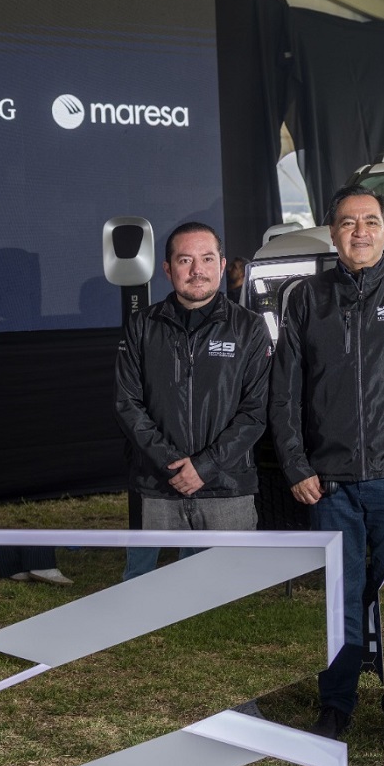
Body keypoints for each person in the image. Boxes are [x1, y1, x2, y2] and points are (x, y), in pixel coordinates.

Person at [270, 185, 384, 738]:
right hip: (329, 485)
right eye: (349, 222)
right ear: (332, 233)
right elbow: (284, 392)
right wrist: (296, 466)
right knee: (339, 599)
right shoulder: (306, 298)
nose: (360, 232)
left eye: (371, 221)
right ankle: (337, 704)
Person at [115, 222, 272, 548]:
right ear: (167, 269)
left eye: (207, 259)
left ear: (222, 265)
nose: (197, 270)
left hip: (227, 487)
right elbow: (127, 403)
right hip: (161, 487)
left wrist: (204, 467)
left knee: (231, 578)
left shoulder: (250, 328)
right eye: (185, 260)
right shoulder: (142, 326)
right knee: (164, 580)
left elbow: (255, 412)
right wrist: (172, 466)